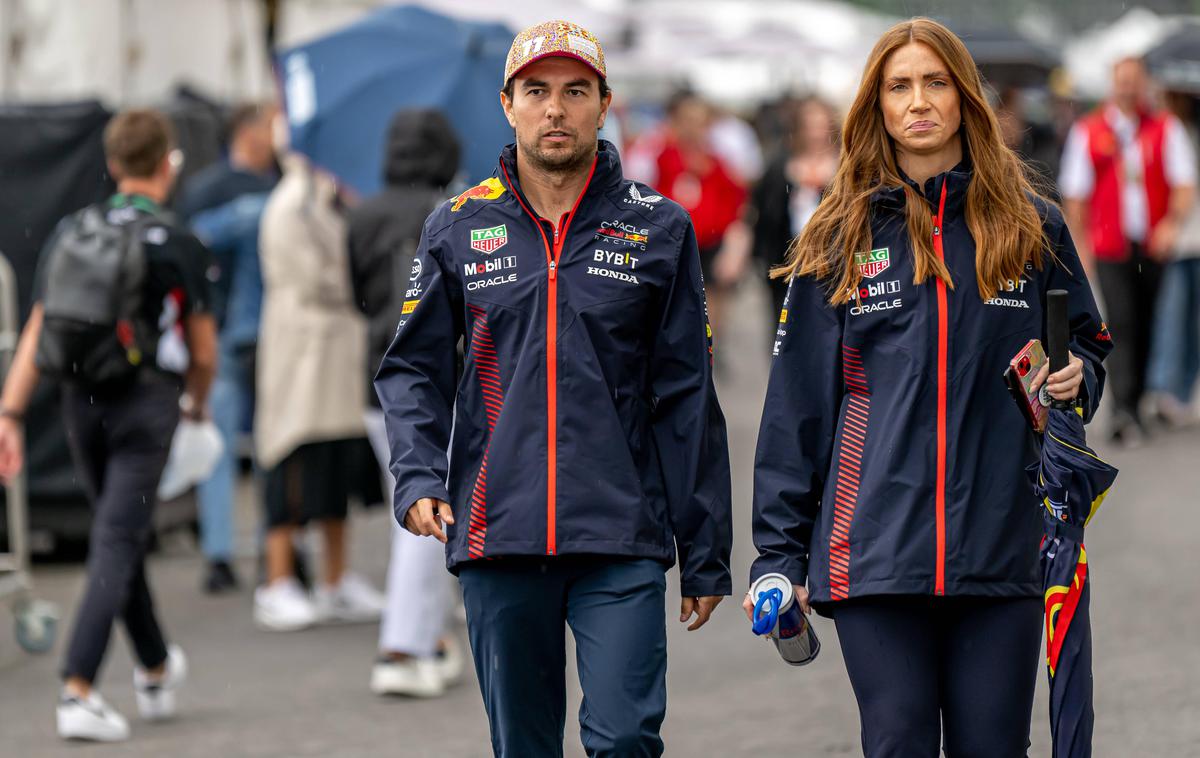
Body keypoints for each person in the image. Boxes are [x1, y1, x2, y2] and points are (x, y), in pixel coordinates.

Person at [747, 19, 1111, 757]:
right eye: (900, 86)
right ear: (875, 106)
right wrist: (777, 556)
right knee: (898, 740)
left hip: (1005, 547)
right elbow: (797, 409)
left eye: (936, 82)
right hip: (873, 553)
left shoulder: (1030, 226)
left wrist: (1079, 378)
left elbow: (1088, 345)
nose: (919, 101)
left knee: (993, 746)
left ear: (965, 98)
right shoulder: (837, 237)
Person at [376, 20, 732, 756]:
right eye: (537, 91)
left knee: (626, 737)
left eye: (576, 91)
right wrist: (415, 475)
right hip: (497, 536)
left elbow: (687, 396)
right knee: (524, 746)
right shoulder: (457, 226)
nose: (556, 109)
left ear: (604, 105)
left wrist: (705, 549)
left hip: (621, 534)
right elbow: (413, 368)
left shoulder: (659, 228)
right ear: (508, 104)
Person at [0, 109, 218, 742]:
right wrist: (197, 407)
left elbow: (41, 324)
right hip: (145, 403)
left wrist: (11, 413)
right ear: (168, 162)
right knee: (118, 540)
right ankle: (78, 688)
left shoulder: (75, 229)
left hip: (77, 402)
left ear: (115, 164)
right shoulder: (177, 241)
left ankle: (153, 666)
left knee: (114, 534)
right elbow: (202, 352)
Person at [347, 108, 465, 697]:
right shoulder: (455, 213)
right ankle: (401, 647)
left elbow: (357, 294)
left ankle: (430, 639)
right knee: (428, 511)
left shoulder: (362, 214)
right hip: (441, 378)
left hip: (376, 374)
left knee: (415, 504)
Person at [252, 144, 384, 632]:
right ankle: (278, 581)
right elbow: (317, 278)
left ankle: (335, 580)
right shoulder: (292, 205)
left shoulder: (325, 200)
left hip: (331, 355)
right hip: (303, 356)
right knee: (290, 462)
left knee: (336, 467)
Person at [1059, 56, 1196, 444]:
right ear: (1112, 84)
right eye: (1122, 81)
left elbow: (1184, 183)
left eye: (1135, 81)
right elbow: (1076, 195)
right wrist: (1080, 246)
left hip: (1151, 245)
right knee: (1119, 321)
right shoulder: (1090, 130)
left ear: (1145, 84)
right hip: (1110, 245)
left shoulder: (1164, 128)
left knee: (1150, 320)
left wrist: (1171, 224)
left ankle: (1137, 401)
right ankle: (1122, 410)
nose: (1129, 88)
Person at [177, 102, 278, 594]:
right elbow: (189, 250)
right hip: (227, 333)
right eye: (268, 124)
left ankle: (261, 550)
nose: (275, 134)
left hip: (246, 333)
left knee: (255, 444)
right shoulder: (234, 190)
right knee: (248, 444)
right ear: (244, 129)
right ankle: (244, 552)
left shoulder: (261, 186)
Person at [747, 96, 840, 322]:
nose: (815, 133)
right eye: (809, 126)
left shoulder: (845, 165)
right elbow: (764, 212)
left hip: (835, 262)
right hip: (787, 263)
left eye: (820, 125)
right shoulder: (780, 165)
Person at [1146, 89, 1200, 427]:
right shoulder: (1164, 134)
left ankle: (1181, 391)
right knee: (1172, 316)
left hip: (1190, 240)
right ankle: (1165, 390)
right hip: (1180, 242)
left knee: (1193, 323)